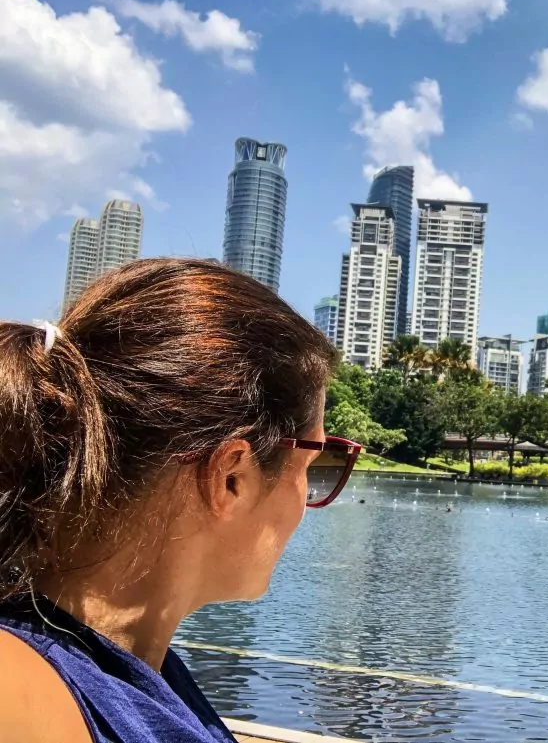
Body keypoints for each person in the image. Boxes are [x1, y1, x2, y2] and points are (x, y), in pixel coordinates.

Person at [0, 259, 352, 743]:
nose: (308, 502)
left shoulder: (133, 669)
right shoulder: (24, 700)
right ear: (232, 478)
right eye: (314, 464)